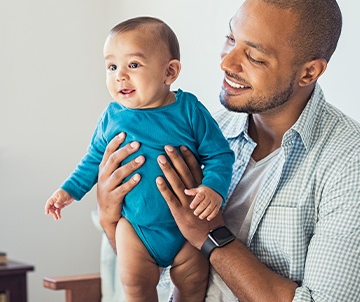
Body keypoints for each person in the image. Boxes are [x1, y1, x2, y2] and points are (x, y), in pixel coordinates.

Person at [96, 0, 360, 302]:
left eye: (255, 57)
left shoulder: (349, 163)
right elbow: (158, 273)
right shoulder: (201, 132)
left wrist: (212, 237)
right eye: (230, 37)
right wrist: (111, 219)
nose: (226, 63)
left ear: (309, 72)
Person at [44, 17, 235, 301]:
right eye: (112, 66)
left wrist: (213, 189)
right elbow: (93, 160)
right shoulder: (112, 116)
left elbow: (220, 154)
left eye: (133, 64)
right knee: (135, 285)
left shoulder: (189, 110)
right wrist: (69, 190)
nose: (120, 75)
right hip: (135, 229)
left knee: (193, 284)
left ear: (169, 72)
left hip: (187, 229)